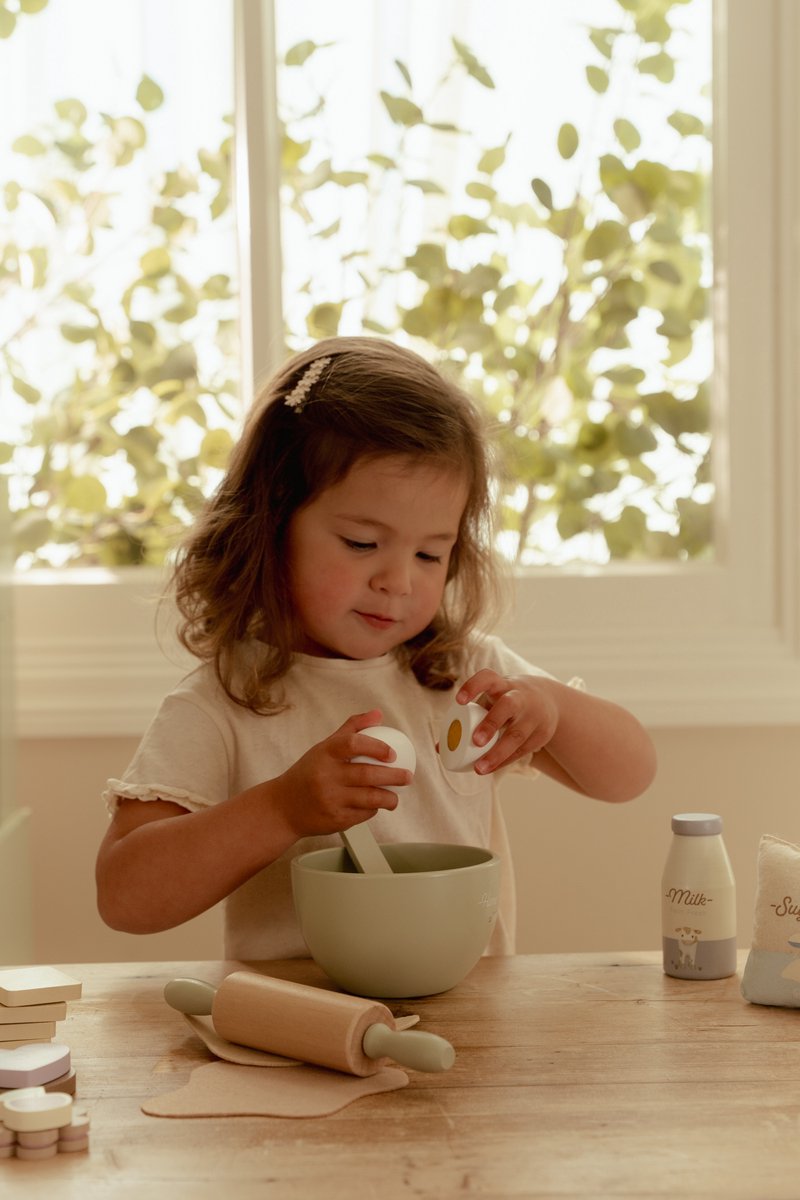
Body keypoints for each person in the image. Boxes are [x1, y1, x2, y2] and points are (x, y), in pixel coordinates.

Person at [96, 336, 656, 959]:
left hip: (469, 1011)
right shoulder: (225, 700)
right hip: (295, 1013)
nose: (399, 581)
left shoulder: (461, 673)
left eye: (430, 554)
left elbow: (630, 775)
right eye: (362, 543)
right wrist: (280, 809)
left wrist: (552, 707)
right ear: (271, 524)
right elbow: (125, 897)